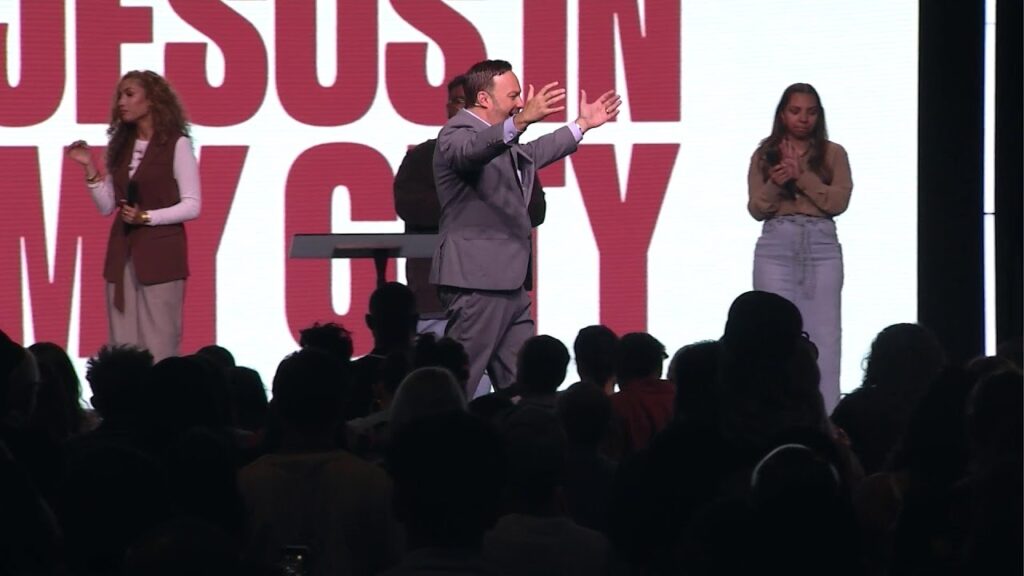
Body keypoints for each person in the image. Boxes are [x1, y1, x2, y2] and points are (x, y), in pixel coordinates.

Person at [431, 59, 621, 398]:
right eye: (513, 96)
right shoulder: (456, 133)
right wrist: (520, 121)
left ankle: (525, 430)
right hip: (478, 282)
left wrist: (581, 125)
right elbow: (472, 153)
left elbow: (531, 154)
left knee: (526, 385)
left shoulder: (503, 142)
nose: (520, 103)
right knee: (459, 382)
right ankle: (441, 430)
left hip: (511, 283)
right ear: (484, 99)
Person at [393, 76, 548, 337]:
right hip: (439, 301)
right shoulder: (423, 157)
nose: (466, 109)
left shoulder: (514, 155)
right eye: (459, 101)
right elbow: (409, 206)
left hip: (504, 295)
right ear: (448, 109)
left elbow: (535, 210)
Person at [66, 70, 201, 362]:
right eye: (120, 96)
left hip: (161, 255)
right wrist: (89, 168)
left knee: (160, 341)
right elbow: (107, 206)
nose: (121, 102)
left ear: (151, 100)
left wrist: (146, 217)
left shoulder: (176, 144)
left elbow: (192, 205)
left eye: (129, 95)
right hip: (122, 254)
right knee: (123, 347)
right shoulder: (122, 146)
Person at [747, 83, 852, 413]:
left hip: (820, 245)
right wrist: (776, 182)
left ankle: (826, 418)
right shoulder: (765, 154)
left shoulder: (833, 153)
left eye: (811, 112)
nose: (803, 119)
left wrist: (802, 176)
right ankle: (772, 416)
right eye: (795, 111)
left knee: (825, 337)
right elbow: (756, 208)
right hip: (776, 245)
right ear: (782, 114)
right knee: (772, 334)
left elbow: (838, 202)